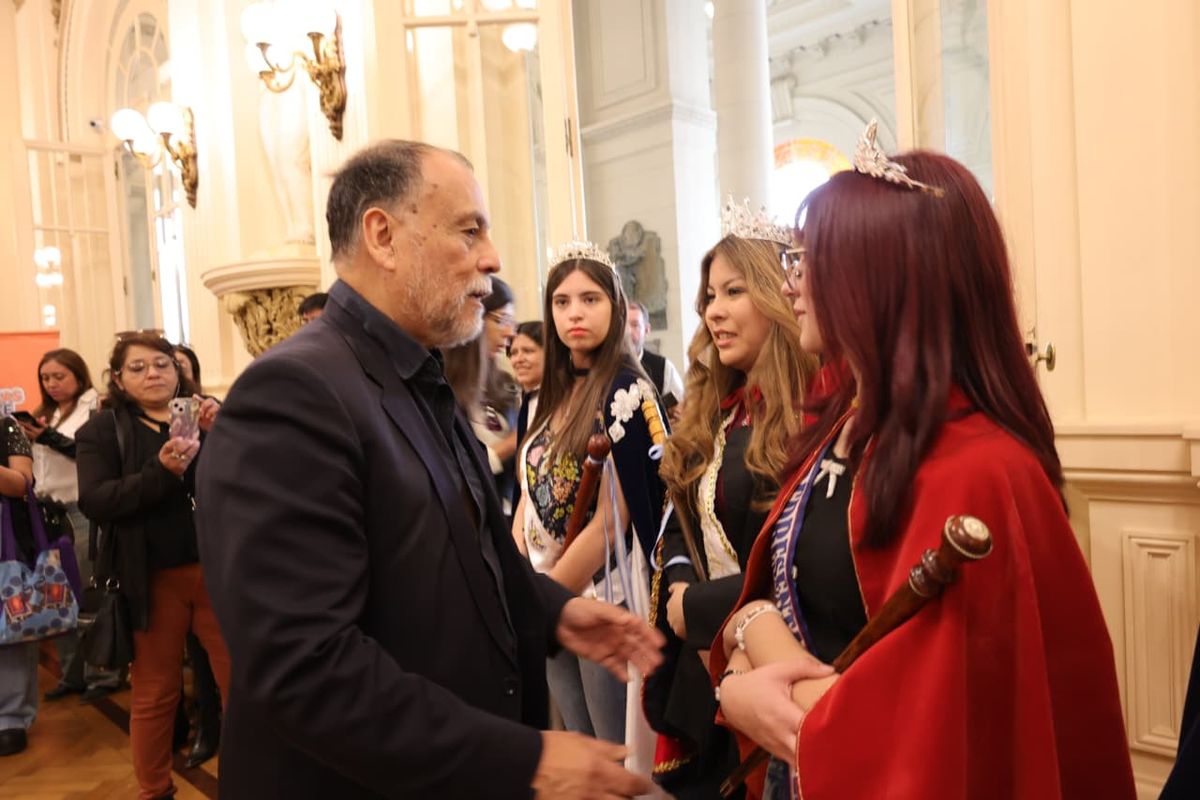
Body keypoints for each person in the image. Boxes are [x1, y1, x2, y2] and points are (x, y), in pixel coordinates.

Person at [194, 139, 663, 799]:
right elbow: (304, 665)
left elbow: (461, 552)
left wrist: (553, 612)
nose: (492, 260)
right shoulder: (295, 394)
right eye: (469, 230)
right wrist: (520, 758)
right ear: (383, 236)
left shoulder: (413, 372)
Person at [710, 126, 1136, 799]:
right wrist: (747, 638)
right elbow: (779, 604)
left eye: (812, 259)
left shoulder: (982, 471)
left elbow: (918, 728)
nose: (792, 284)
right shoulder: (847, 426)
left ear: (880, 278)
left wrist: (751, 677)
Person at [642, 208, 817, 798]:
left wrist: (700, 607)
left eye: (733, 292)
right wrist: (678, 590)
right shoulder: (718, 409)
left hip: (771, 666)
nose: (713, 310)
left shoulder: (808, 419)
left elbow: (793, 557)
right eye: (710, 295)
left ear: (774, 293)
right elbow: (679, 521)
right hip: (703, 662)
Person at [512, 241, 667, 764]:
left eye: (590, 299)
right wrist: (523, 583)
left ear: (616, 306)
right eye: (561, 301)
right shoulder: (545, 394)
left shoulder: (625, 390)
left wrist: (543, 597)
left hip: (603, 592)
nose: (574, 312)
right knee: (575, 747)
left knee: (614, 752)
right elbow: (525, 502)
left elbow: (613, 518)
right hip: (545, 589)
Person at [75, 332, 229, 800]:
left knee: (243, 684)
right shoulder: (103, 430)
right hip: (151, 577)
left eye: (161, 364)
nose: (152, 374)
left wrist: (227, 433)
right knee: (156, 694)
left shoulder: (207, 417)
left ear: (178, 370)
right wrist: (162, 472)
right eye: (137, 367)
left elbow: (248, 483)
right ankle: (154, 789)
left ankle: (255, 778)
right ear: (118, 378)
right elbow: (97, 500)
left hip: (218, 571)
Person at [17, 349, 123, 704]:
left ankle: (102, 672)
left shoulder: (95, 406)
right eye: (45, 378)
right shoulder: (44, 412)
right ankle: (70, 671)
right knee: (57, 594)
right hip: (49, 512)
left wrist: (46, 438)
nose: (51, 384)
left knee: (91, 591)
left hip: (83, 509)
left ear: (78, 375)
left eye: (59, 376)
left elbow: (88, 451)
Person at [170, 342, 224, 767]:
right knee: (189, 652)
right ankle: (200, 724)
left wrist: (217, 429)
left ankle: (227, 729)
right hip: (168, 549)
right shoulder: (127, 422)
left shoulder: (213, 412)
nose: (163, 375)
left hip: (214, 541)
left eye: (174, 367)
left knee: (220, 648)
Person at [0, 415, 36, 757]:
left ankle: (10, 718)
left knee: (10, 632)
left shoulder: (5, 427)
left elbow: (21, 483)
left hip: (5, 548)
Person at [508, 320, 545, 514]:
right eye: (513, 353)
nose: (518, 359)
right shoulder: (526, 400)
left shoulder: (559, 404)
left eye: (528, 351)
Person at [627, 300, 684, 414]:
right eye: (623, 325)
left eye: (635, 325)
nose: (627, 331)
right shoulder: (604, 367)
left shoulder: (664, 368)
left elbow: (681, 412)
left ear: (647, 330)